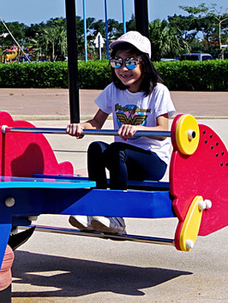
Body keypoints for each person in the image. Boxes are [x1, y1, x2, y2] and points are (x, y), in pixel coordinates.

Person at [65, 31, 176, 236]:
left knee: (117, 149)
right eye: (117, 62)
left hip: (152, 161)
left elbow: (163, 131)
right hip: (122, 160)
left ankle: (116, 215)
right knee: (96, 148)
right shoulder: (113, 90)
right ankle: (95, 208)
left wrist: (138, 128)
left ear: (144, 63)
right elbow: (96, 122)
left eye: (131, 62)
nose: (124, 69)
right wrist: (80, 127)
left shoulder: (158, 91)